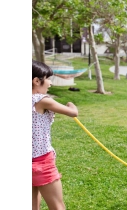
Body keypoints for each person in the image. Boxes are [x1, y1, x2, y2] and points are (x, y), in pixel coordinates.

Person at [32, 60, 79, 210]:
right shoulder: (41, 100)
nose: (50, 82)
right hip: (41, 162)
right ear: (36, 80)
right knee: (57, 206)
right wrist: (71, 103)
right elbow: (73, 112)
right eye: (48, 78)